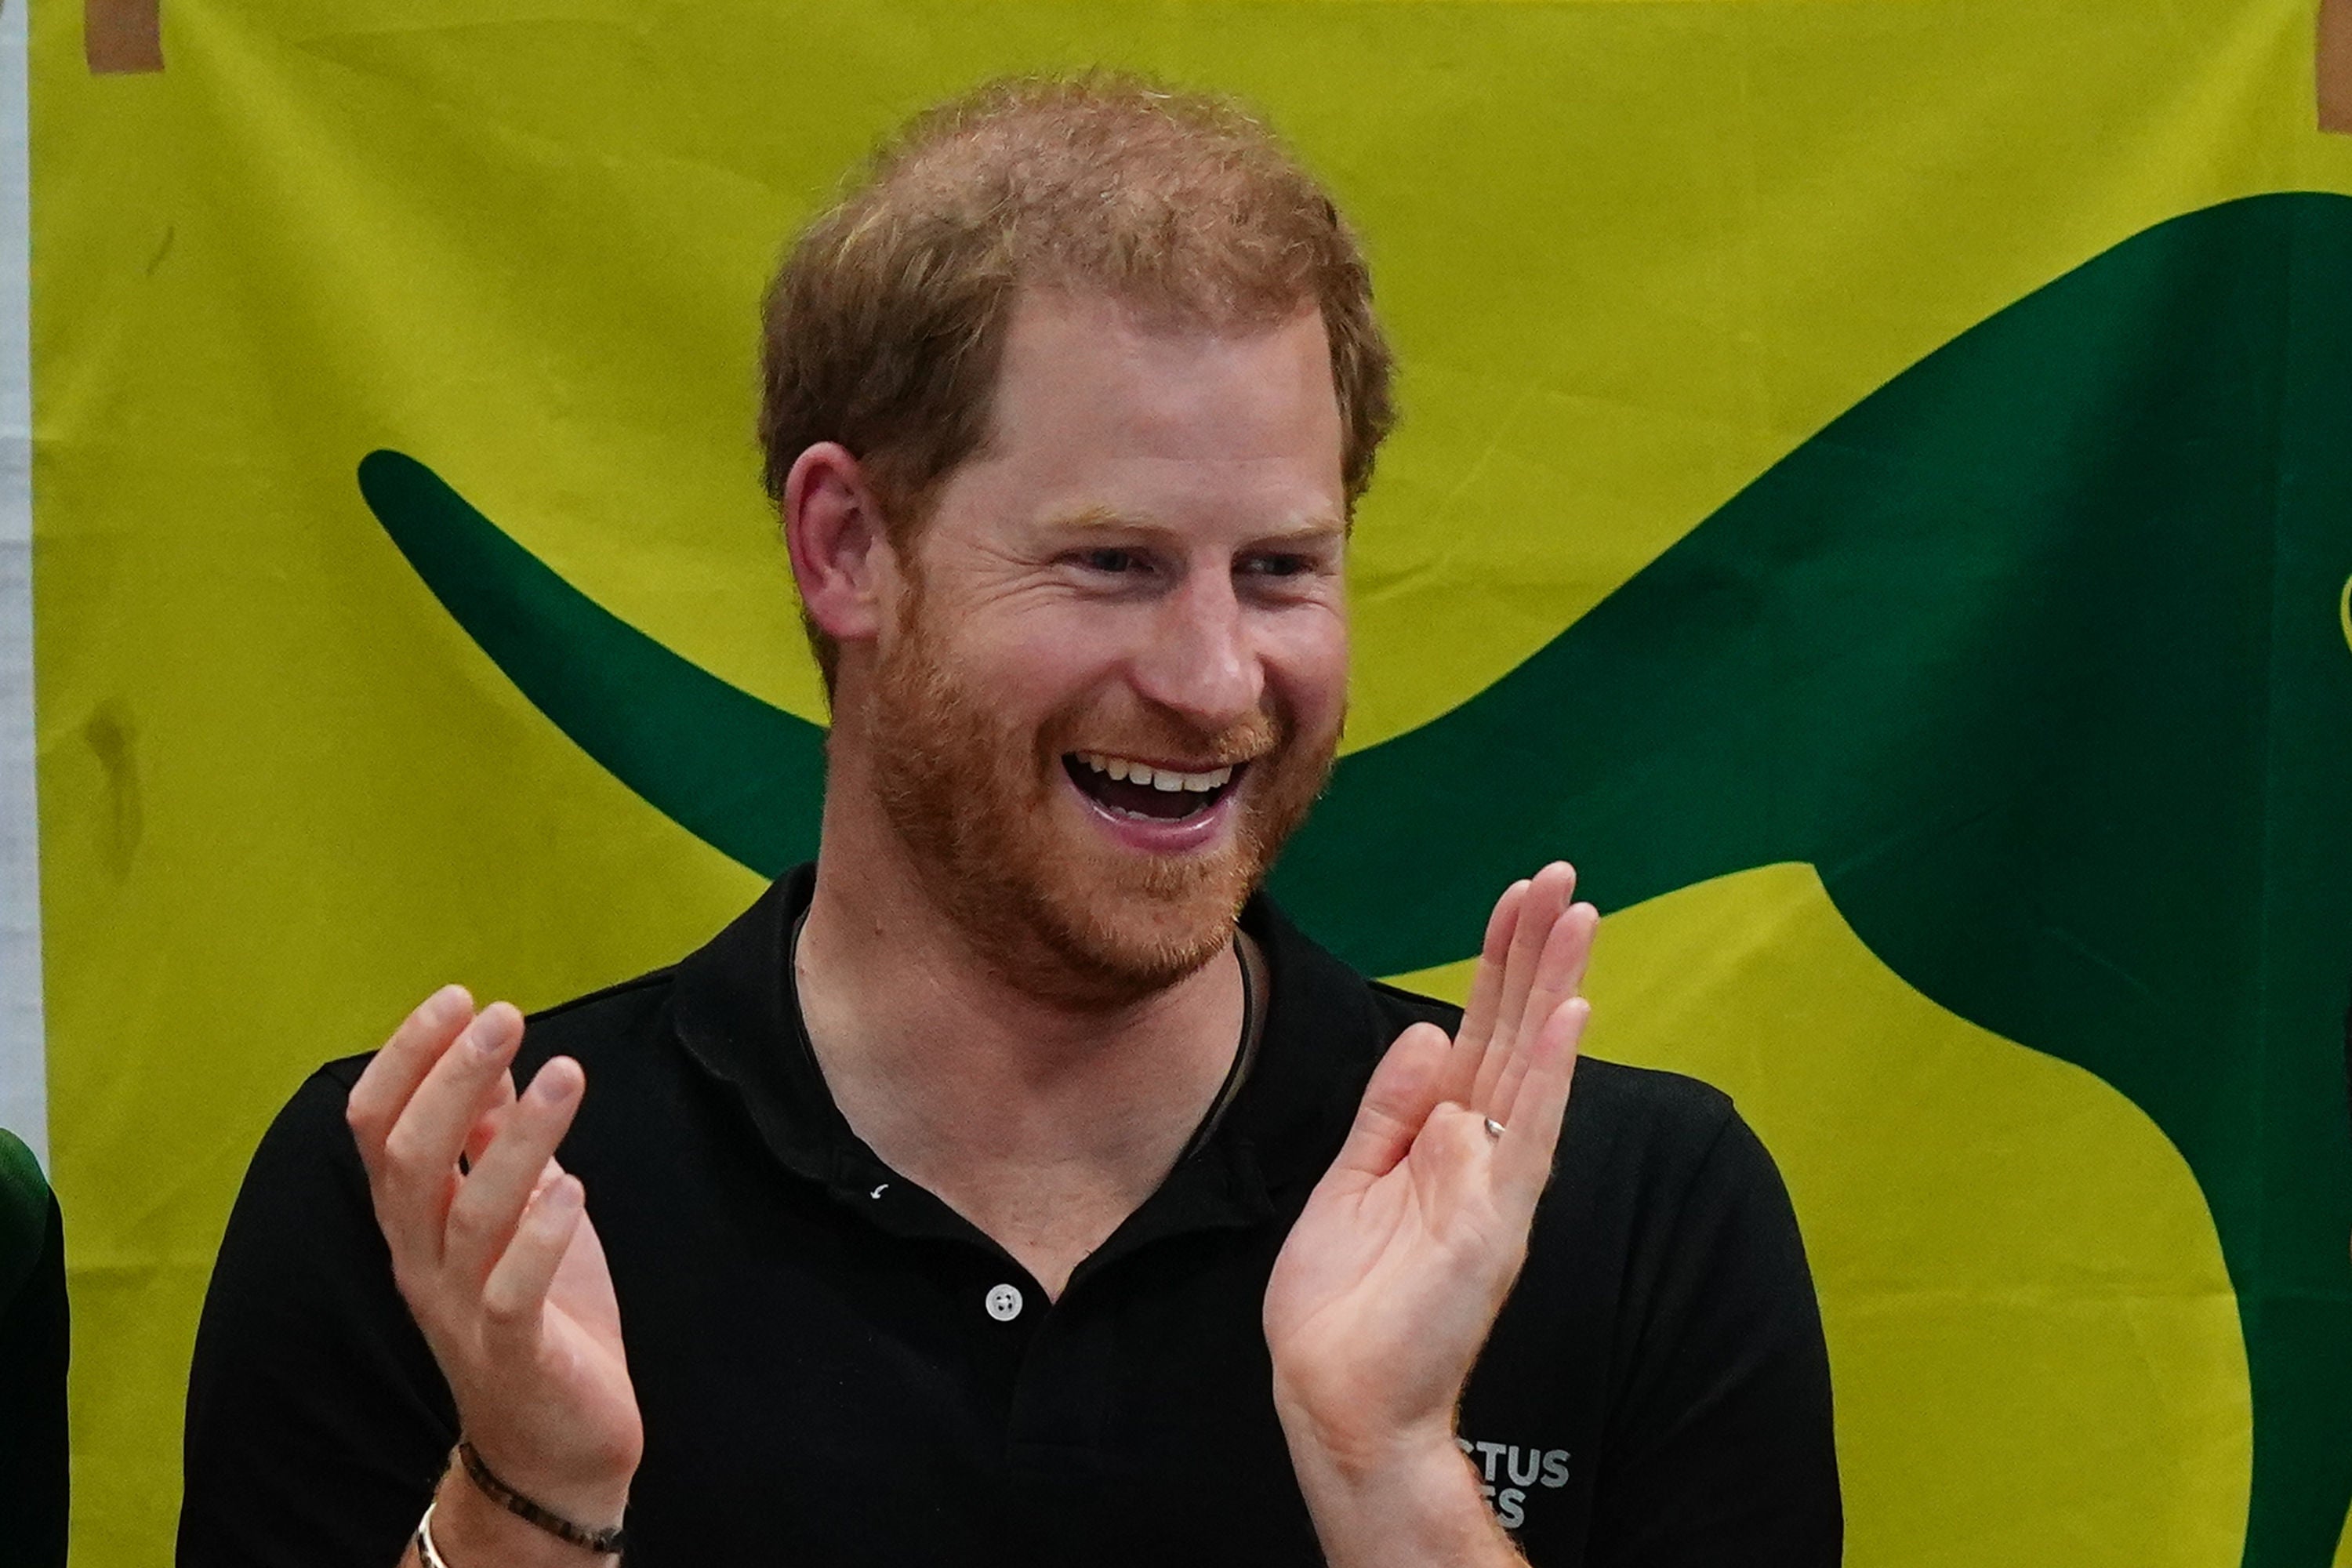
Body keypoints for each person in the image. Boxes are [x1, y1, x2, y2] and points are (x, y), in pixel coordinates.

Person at [179, 75, 1839, 1567]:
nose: (1215, 678)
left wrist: (1397, 1481)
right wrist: (524, 1505)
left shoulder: (1632, 1216)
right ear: (844, 548)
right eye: (1112, 563)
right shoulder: (445, 1216)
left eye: (1280, 569)